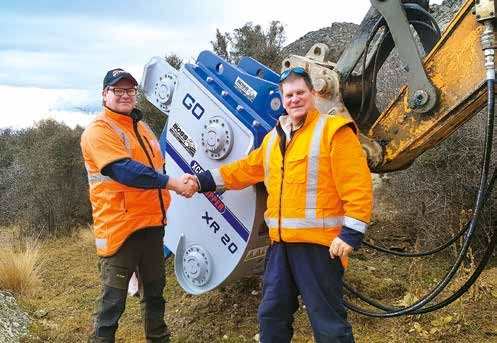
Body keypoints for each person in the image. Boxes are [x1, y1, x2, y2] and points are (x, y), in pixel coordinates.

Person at [184, 67, 372, 342]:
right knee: (271, 315)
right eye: (289, 95)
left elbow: (357, 184)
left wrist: (350, 234)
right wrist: (201, 181)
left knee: (328, 323)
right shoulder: (273, 140)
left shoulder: (334, 131)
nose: (294, 99)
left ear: (313, 94)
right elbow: (242, 170)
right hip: (280, 247)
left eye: (300, 93)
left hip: (319, 248)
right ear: (283, 99)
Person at [80, 68, 196, 342]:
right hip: (121, 229)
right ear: (104, 94)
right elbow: (126, 172)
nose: (124, 95)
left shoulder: (141, 128)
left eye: (130, 90)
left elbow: (156, 166)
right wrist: (173, 183)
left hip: (152, 225)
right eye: (117, 90)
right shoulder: (99, 130)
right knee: (113, 303)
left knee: (155, 294)